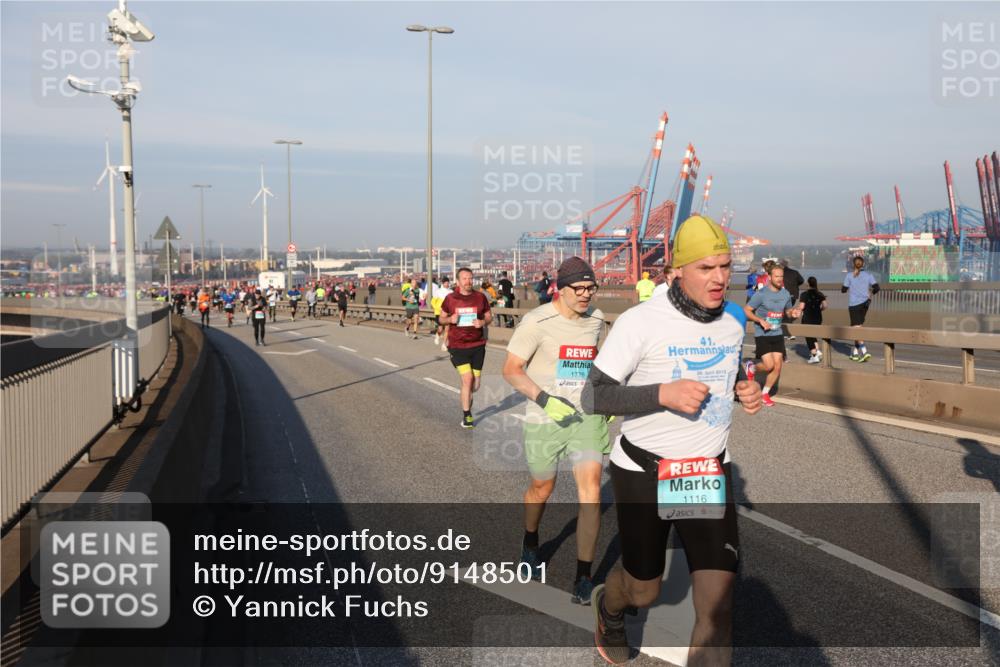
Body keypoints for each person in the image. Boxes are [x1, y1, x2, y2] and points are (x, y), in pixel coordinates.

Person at [581, 214, 763, 666]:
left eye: (724, 266)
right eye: (706, 268)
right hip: (644, 469)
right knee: (645, 587)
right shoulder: (641, 322)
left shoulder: (732, 323)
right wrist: (662, 394)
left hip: (704, 470)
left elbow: (723, 368)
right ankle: (611, 605)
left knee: (718, 611)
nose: (720, 278)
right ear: (676, 271)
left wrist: (744, 388)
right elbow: (593, 395)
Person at [503, 256, 609, 605]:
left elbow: (602, 362)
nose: (585, 295)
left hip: (585, 416)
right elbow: (512, 369)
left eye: (590, 288)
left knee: (591, 490)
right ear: (560, 290)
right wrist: (545, 399)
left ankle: (583, 575)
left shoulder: (596, 319)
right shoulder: (537, 322)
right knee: (541, 486)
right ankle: (530, 541)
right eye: (578, 289)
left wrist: (607, 400)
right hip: (546, 417)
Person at [744, 263, 804, 407]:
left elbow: (788, 312)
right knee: (769, 365)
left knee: (777, 366)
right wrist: (760, 320)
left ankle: (765, 393)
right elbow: (747, 310)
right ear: (769, 277)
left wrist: (794, 313)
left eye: (781, 276)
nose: (779, 279)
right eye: (776, 276)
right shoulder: (761, 294)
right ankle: (751, 367)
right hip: (762, 334)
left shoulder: (785, 294)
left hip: (777, 333)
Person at [440, 267, 493, 428]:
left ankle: (466, 395)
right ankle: (467, 415)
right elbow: (441, 319)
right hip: (458, 346)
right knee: (467, 379)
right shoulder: (450, 298)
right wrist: (450, 319)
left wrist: (482, 322)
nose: (468, 281)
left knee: (475, 385)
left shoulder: (480, 297)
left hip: (477, 345)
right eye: (464, 278)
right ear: (458, 281)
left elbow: (489, 316)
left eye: (470, 278)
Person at [842, 255, 879, 362]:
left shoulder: (849, 275)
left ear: (854, 264)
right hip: (865, 304)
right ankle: (854, 353)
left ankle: (864, 351)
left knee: (856, 328)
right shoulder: (869, 275)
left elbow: (843, 290)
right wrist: (870, 294)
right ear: (863, 264)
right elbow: (877, 288)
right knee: (857, 327)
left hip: (854, 305)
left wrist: (850, 287)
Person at [800, 277, 827, 363]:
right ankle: (817, 351)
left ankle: (814, 355)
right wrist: (820, 310)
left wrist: (797, 310)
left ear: (808, 284)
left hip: (808, 317)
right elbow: (825, 305)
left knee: (808, 336)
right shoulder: (820, 294)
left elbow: (802, 307)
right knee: (813, 334)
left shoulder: (804, 294)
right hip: (817, 317)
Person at [779, 259, 804, 340]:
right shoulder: (794, 272)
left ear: (781, 265)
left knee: (783, 312)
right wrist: (795, 285)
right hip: (793, 295)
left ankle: (786, 332)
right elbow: (802, 280)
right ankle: (788, 332)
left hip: (782, 295)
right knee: (788, 311)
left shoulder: (779, 273)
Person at [431, 277, 453, 350]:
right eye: (445, 283)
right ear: (442, 283)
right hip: (439, 312)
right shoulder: (438, 291)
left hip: (448, 313)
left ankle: (444, 344)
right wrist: (438, 308)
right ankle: (437, 335)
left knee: (447, 329)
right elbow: (433, 302)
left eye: (448, 282)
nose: (447, 284)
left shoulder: (451, 292)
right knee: (440, 329)